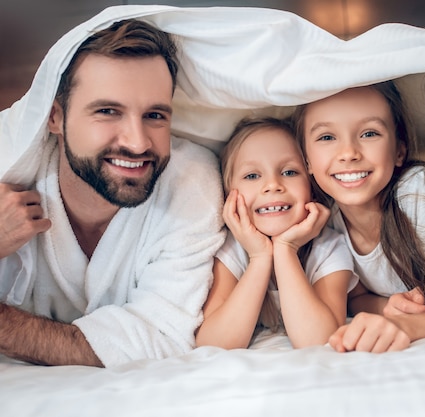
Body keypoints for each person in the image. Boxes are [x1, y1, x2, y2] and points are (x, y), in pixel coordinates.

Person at [0, 19, 225, 367]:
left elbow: (161, 336)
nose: (137, 142)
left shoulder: (191, 185)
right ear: (55, 117)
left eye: (154, 115)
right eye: (107, 111)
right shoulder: (10, 175)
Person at [292, 81, 425, 353]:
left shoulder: (418, 191)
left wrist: (408, 323)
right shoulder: (329, 224)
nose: (349, 154)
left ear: (400, 151)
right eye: (327, 137)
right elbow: (355, 299)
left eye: (369, 133)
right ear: (306, 160)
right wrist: (389, 306)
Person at [195, 117, 356, 349]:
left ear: (311, 185)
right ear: (229, 194)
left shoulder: (329, 248)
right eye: (252, 176)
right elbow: (214, 344)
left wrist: (286, 249)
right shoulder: (230, 249)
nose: (272, 185)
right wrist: (259, 257)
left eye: (289, 172)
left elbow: (318, 341)